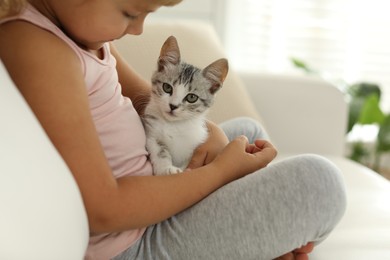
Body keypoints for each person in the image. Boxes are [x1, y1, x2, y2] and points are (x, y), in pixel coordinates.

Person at [0, 0, 346, 259]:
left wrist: (209, 136)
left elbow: (144, 100)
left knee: (248, 132)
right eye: (130, 12)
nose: (137, 29)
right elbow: (102, 210)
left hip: (154, 187)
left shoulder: (85, 37)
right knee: (320, 183)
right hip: (133, 242)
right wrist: (220, 173)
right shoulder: (38, 46)